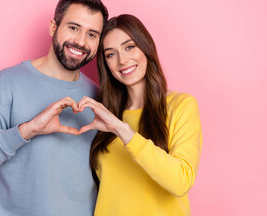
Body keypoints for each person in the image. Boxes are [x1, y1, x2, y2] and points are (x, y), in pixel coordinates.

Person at [0, 0, 108, 216]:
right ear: (54, 27)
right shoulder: (8, 83)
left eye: (92, 34)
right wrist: (26, 131)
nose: (81, 41)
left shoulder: (98, 99)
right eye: (73, 28)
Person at [77, 14, 202, 215]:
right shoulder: (102, 115)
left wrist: (122, 130)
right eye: (111, 54)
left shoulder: (181, 105)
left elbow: (180, 182)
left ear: (145, 47)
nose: (122, 60)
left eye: (129, 47)